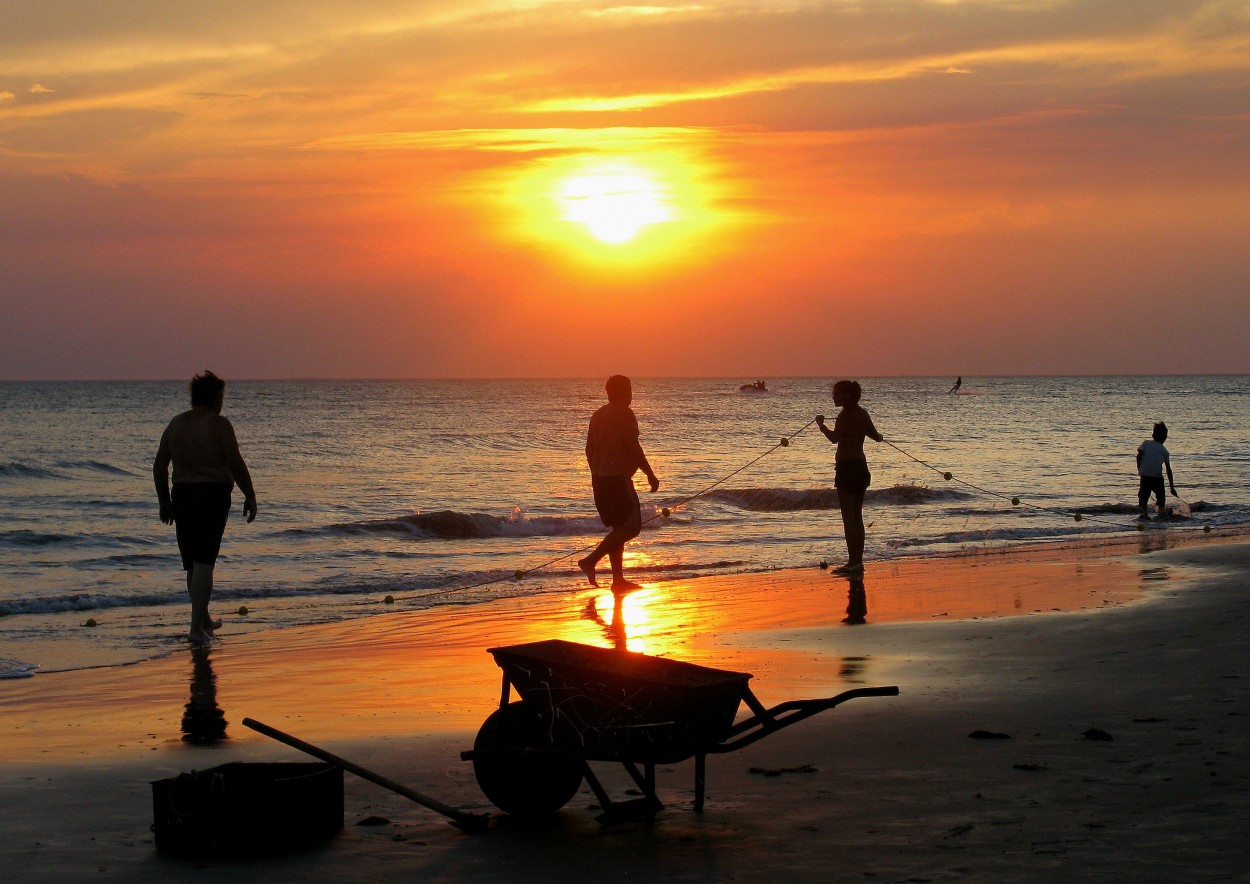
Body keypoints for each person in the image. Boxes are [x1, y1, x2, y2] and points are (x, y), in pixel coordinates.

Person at [154, 371, 257, 643]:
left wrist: (164, 501)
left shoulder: (175, 424)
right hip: (211, 496)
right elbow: (235, 463)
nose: (223, 402)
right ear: (214, 398)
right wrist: (250, 494)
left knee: (192, 564)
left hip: (182, 496)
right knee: (204, 563)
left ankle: (204, 619)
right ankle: (195, 629)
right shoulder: (219, 424)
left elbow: (159, 465)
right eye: (221, 397)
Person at [577, 375, 660, 592]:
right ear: (623, 392)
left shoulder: (597, 415)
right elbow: (633, 446)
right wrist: (650, 474)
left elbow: (588, 449)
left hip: (599, 479)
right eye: (629, 389)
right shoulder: (624, 412)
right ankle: (591, 560)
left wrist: (596, 472)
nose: (631, 394)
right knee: (632, 527)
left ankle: (618, 580)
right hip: (617, 479)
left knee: (618, 528)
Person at [816, 379, 883, 575]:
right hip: (861, 468)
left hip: (847, 469)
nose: (834, 396)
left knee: (848, 519)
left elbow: (834, 438)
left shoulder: (845, 415)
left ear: (848, 395)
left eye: (838, 393)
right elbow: (875, 435)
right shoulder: (862, 413)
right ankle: (857, 561)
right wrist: (880, 438)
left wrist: (821, 425)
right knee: (857, 517)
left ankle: (853, 562)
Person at [1136, 421, 1177, 517]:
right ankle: (1161, 514)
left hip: (1145, 476)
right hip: (1157, 478)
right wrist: (1172, 487)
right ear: (1165, 438)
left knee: (1143, 497)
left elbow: (1138, 457)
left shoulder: (1145, 444)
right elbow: (1168, 470)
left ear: (1153, 435)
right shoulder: (1164, 451)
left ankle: (1144, 514)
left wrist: (1140, 469)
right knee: (1161, 498)